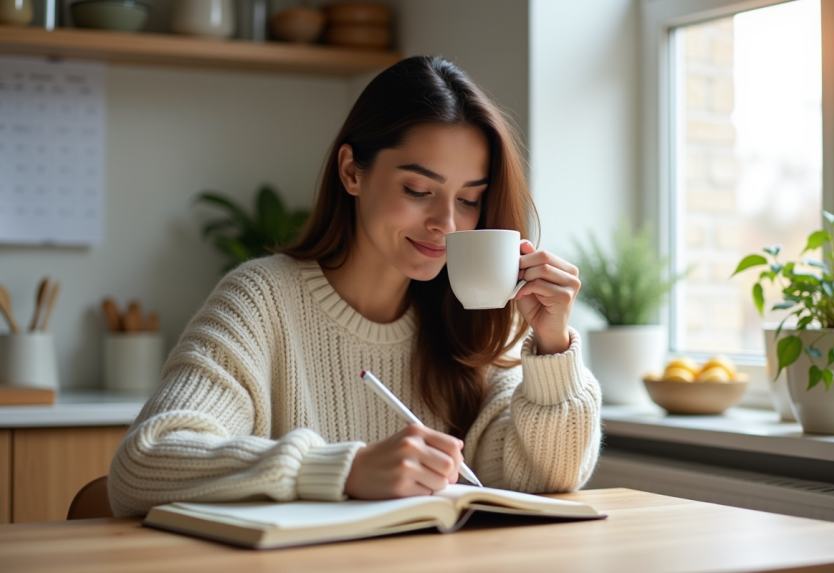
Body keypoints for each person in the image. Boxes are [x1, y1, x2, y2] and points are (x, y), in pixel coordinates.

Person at [108, 56, 601, 516]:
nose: (446, 224)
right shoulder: (261, 301)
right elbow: (146, 462)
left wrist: (554, 346)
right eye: (417, 191)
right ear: (351, 172)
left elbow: (547, 477)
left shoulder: (478, 315)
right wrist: (344, 470)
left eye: (469, 200)